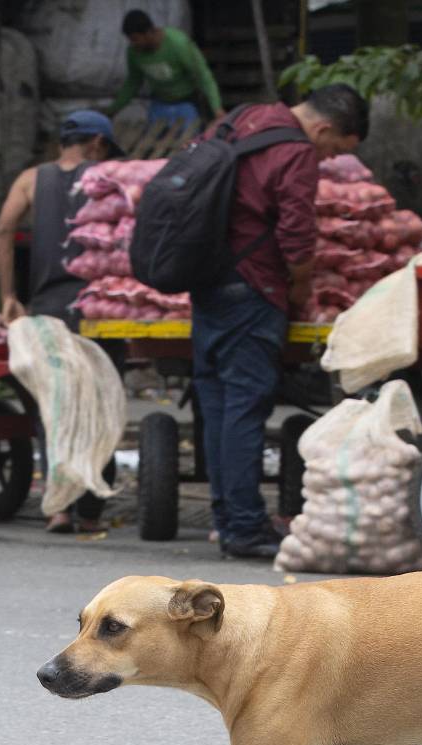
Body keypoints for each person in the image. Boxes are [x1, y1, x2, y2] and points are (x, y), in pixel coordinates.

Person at [190, 84, 369, 559]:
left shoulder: (240, 118)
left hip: (207, 281)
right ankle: (246, 527)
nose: (326, 158)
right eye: (332, 149)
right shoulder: (293, 149)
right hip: (252, 288)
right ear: (324, 128)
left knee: (218, 406)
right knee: (245, 407)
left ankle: (226, 519)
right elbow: (296, 233)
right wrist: (299, 287)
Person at [0, 110, 122, 534]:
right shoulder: (110, 175)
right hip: (103, 309)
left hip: (49, 309)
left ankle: (58, 509)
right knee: (100, 403)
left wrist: (9, 295)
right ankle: (90, 511)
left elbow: (2, 229)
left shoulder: (32, 179)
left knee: (56, 407)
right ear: (98, 143)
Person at [109, 10, 225, 128]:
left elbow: (203, 77)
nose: (133, 44)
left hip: (187, 102)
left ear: (148, 33)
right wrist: (113, 110)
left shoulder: (178, 44)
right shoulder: (133, 53)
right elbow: (133, 83)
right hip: (159, 103)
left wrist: (217, 109)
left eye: (135, 39)